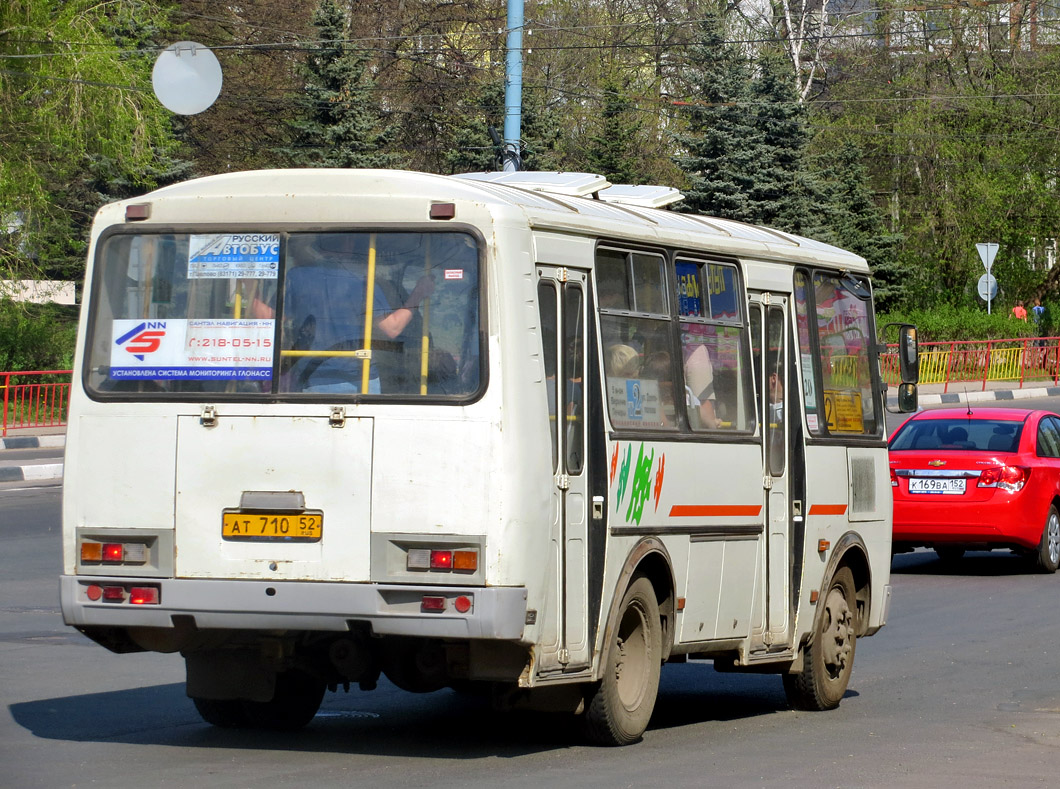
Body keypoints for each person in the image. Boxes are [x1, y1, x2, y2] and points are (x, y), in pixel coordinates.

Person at [282, 233, 434, 394]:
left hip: (312, 377)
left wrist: (253, 284)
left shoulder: (296, 277)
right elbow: (392, 328)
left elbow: (268, 318)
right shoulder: (361, 281)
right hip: (362, 379)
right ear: (349, 244)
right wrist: (419, 293)